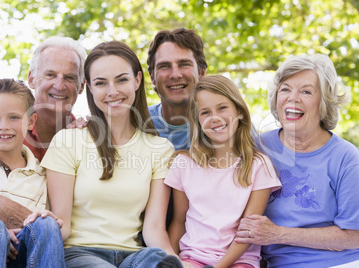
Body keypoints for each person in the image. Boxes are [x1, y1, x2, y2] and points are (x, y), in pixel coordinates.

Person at [24, 40, 183, 268]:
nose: (112, 91)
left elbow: (154, 229)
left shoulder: (160, 148)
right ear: (89, 87)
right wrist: (44, 224)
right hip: (80, 254)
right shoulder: (69, 140)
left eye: (122, 80)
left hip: (135, 256)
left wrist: (177, 261)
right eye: (101, 83)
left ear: (137, 80)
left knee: (158, 262)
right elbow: (64, 225)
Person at [235, 54, 359, 267]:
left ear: (324, 102)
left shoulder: (347, 158)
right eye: (285, 89)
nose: (293, 98)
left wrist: (278, 235)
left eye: (306, 91)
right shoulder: (256, 148)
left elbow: (353, 236)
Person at [0, 36, 87, 229]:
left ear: (82, 86)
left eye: (69, 77)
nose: (59, 85)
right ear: (32, 78)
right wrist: (5, 208)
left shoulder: (84, 138)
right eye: (50, 75)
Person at [164, 75, 281, 268]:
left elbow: (248, 232)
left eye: (222, 108)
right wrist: (171, 259)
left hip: (239, 260)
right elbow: (178, 220)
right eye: (205, 112)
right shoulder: (184, 164)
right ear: (198, 121)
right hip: (193, 257)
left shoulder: (259, 165)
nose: (215, 118)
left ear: (240, 112)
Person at [0, 78, 65, 267]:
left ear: (31, 121)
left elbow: (33, 232)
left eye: (14, 117)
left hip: (15, 254)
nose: (3, 125)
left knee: (45, 223)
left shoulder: (40, 174)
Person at [147, 27, 207, 151]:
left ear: (202, 73)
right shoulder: (134, 125)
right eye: (164, 66)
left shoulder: (225, 123)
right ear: (152, 77)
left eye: (184, 64)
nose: (175, 75)